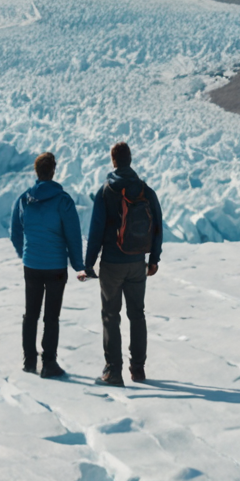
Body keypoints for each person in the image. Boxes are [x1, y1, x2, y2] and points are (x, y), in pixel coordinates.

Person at [80, 141, 162, 385]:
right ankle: (138, 369)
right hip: (137, 263)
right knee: (137, 314)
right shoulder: (145, 190)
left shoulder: (106, 191)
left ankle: (113, 371)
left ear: (114, 161)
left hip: (112, 265)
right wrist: (154, 259)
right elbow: (158, 226)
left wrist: (89, 263)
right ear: (130, 160)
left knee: (110, 315)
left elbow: (95, 232)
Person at [9, 151, 83, 378]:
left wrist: (26, 253)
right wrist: (78, 265)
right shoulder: (63, 201)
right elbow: (73, 235)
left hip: (32, 265)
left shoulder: (24, 199)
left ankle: (29, 361)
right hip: (55, 267)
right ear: (53, 171)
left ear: (36, 172)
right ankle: (49, 363)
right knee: (51, 316)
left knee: (30, 313)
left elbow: (15, 232)